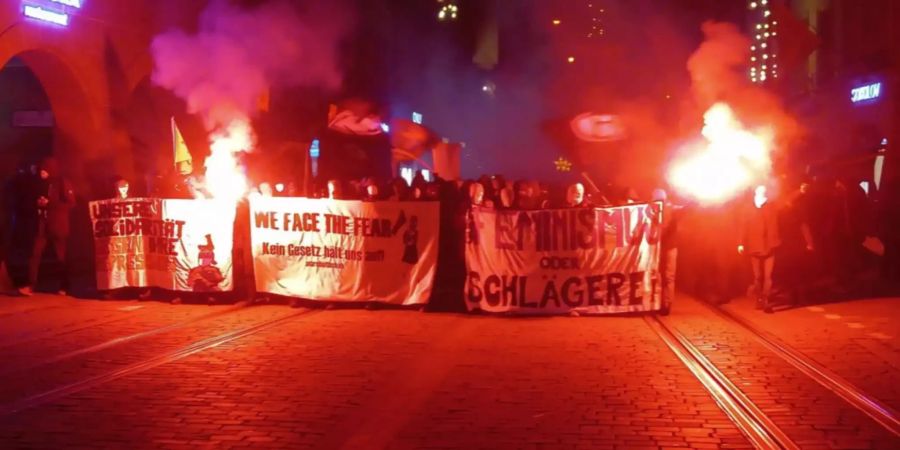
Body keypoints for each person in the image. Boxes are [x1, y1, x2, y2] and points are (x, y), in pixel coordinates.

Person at [21, 157, 75, 296]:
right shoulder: (37, 183)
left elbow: (71, 203)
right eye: (41, 169)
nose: (42, 172)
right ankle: (30, 285)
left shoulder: (62, 182)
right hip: (41, 225)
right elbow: (29, 200)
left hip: (57, 225)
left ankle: (64, 285)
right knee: (35, 254)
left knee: (60, 256)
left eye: (45, 169)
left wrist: (49, 204)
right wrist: (37, 203)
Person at [737, 185, 780, 313]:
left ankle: (765, 300)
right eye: (759, 190)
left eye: (764, 190)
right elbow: (742, 225)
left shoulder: (771, 206)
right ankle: (759, 298)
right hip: (754, 245)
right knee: (757, 276)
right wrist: (740, 243)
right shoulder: (748, 208)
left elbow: (785, 203)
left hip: (769, 246)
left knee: (768, 276)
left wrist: (799, 192)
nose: (762, 192)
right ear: (756, 192)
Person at [652, 188, 685, 315]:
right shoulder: (651, 210)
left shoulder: (672, 209)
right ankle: (658, 302)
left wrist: (694, 200)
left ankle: (666, 303)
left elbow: (684, 210)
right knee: (659, 275)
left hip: (670, 246)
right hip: (656, 247)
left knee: (668, 276)